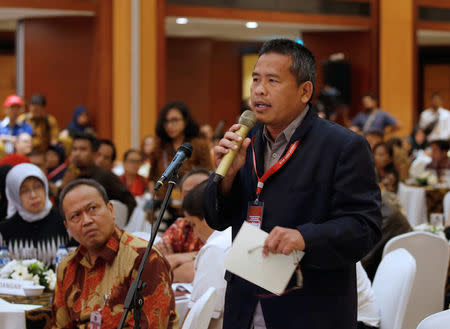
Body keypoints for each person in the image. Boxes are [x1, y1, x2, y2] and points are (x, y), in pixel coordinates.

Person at [204, 39, 381, 329]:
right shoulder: (244, 139)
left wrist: (304, 238)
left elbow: (365, 227)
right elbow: (217, 219)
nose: (259, 89)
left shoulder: (343, 146)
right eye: (256, 79)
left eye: (273, 81)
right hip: (244, 304)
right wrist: (226, 178)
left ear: (304, 91)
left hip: (309, 310)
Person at [52, 179, 178, 328]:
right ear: (68, 227)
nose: (86, 220)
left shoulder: (143, 258)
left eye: (92, 208)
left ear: (111, 210)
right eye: (75, 216)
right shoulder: (67, 267)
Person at [182, 180, 231, 329]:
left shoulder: (216, 248)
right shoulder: (236, 234)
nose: (195, 234)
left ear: (207, 216)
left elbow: (198, 315)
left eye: (194, 224)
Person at [0, 163, 68, 263]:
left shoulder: (64, 221)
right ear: (14, 196)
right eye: (24, 191)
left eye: (37, 187)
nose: (33, 195)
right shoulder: (4, 230)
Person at [60, 133, 136, 220]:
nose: (77, 153)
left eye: (83, 149)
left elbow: (130, 202)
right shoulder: (71, 176)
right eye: (74, 149)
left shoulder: (105, 175)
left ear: (94, 154)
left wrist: (117, 225)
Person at [149, 101, 213, 196]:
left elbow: (207, 175)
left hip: (191, 201)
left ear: (185, 121)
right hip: (164, 203)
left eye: (174, 120)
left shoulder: (199, 145)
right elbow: (152, 178)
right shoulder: (159, 147)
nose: (169, 126)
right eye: (166, 121)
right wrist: (154, 197)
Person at [156, 169, 208, 283]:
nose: (195, 197)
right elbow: (159, 265)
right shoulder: (181, 227)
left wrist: (178, 258)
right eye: (189, 193)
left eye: (201, 190)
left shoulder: (227, 227)